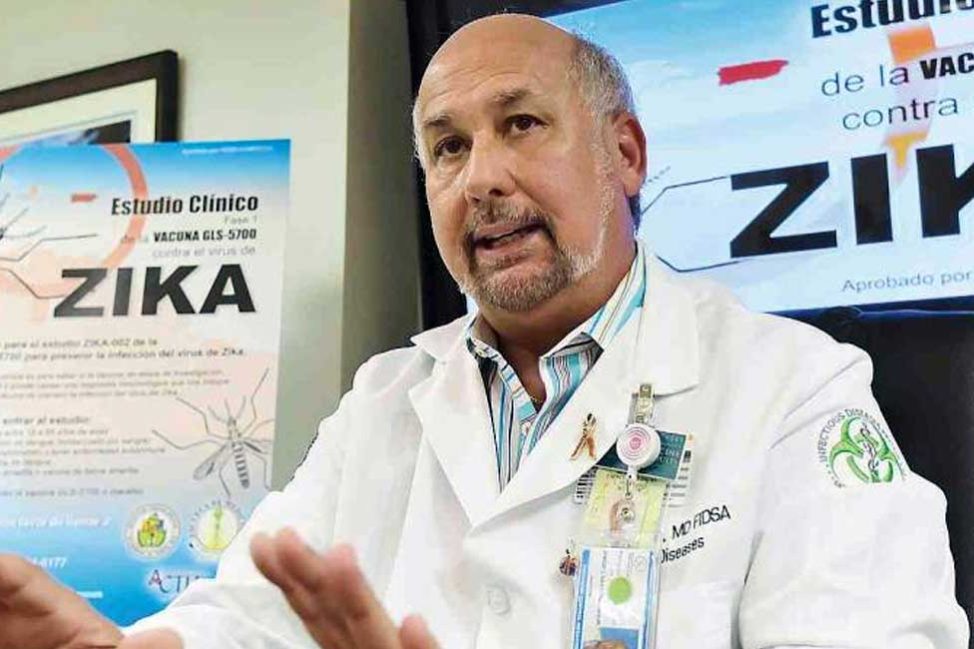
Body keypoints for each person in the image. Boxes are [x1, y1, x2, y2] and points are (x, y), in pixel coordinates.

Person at [0, 13, 969, 649]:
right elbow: (249, 615)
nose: (482, 178)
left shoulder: (791, 386)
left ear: (624, 153)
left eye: (521, 125)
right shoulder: (384, 401)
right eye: (447, 148)